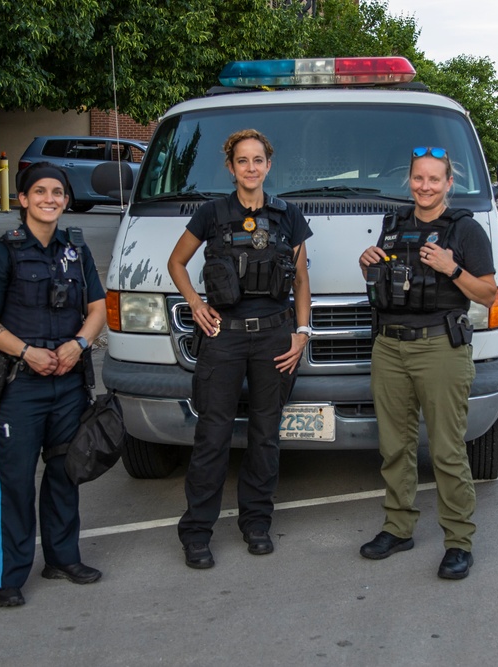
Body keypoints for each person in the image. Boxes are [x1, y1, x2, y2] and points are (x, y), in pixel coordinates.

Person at [168, 129, 312, 569]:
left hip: (274, 337)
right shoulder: (211, 214)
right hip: (223, 337)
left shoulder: (288, 216)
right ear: (230, 168)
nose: (251, 168)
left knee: (265, 435)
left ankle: (256, 524)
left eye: (258, 160)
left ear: (269, 166)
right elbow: (176, 262)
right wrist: (194, 303)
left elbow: (302, 279)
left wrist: (302, 332)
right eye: (242, 161)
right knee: (212, 435)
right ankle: (196, 532)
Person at [357, 146, 497, 580]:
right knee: (394, 446)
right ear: (410, 181)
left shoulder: (465, 230)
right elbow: (384, 282)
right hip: (389, 347)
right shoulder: (393, 226)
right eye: (419, 178)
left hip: (439, 348)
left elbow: (488, 293)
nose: (425, 186)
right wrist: (367, 264)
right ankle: (398, 528)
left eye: (434, 179)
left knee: (446, 449)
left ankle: (458, 541)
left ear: (449, 184)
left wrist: (452, 269)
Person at [0, 162, 107, 607]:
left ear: (66, 200)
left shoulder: (77, 251)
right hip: (20, 386)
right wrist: (26, 351)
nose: (50, 199)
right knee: (13, 483)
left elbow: (97, 308)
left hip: (69, 383)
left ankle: (62, 558)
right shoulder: (3, 253)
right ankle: (9, 578)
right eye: (40, 192)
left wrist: (80, 344)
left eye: (58, 192)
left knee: (64, 474)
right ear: (24, 199)